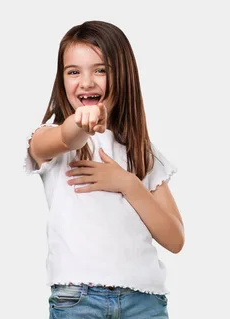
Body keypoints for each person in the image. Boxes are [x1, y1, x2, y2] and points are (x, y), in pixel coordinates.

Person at [24, 20, 184, 319]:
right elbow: (63, 137)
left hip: (144, 302)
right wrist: (82, 121)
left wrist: (128, 184)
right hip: (78, 300)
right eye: (74, 72)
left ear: (123, 75)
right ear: (62, 80)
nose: (86, 82)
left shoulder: (142, 151)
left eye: (101, 70)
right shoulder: (54, 140)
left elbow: (175, 239)